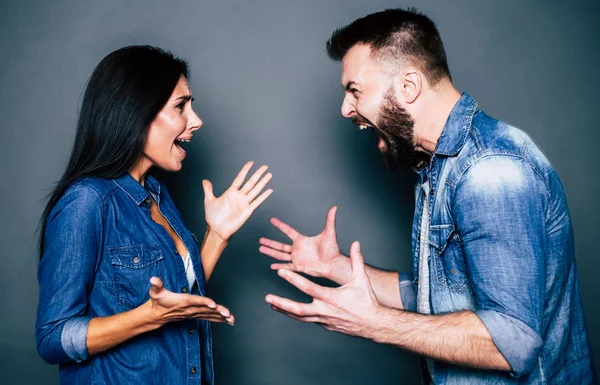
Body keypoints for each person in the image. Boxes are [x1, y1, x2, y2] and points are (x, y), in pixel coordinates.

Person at [259, 8, 596, 384]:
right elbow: (440, 295)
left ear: (408, 86)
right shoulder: (437, 166)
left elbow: (511, 341)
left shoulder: (489, 171)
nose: (345, 109)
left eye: (355, 90)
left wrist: (374, 323)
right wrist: (337, 268)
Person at [36, 45, 273, 385]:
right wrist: (147, 317)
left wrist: (217, 235)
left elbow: (177, 300)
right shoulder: (88, 201)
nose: (196, 120)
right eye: (181, 106)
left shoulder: (157, 195)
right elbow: (52, 338)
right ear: (137, 111)